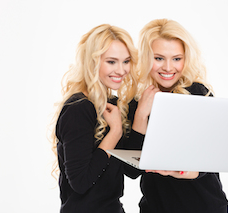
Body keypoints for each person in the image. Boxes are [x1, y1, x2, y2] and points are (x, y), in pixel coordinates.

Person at [125, 19, 228, 213]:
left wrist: (182, 172)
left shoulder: (198, 93)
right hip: (155, 208)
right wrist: (141, 115)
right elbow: (131, 171)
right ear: (147, 58)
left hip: (203, 206)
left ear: (185, 59)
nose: (168, 67)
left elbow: (211, 155)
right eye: (159, 58)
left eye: (176, 58)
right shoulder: (136, 103)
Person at [50, 24, 138, 213]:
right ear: (93, 62)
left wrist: (142, 113)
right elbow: (81, 183)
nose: (121, 70)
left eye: (126, 61)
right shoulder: (78, 109)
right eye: (112, 62)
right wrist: (115, 132)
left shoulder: (113, 105)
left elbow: (133, 170)